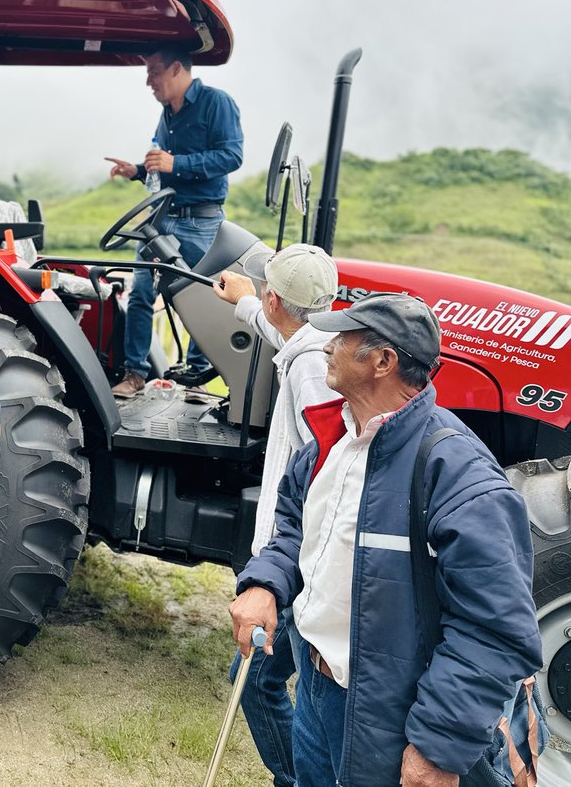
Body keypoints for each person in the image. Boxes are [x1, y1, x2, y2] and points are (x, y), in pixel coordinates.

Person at [228, 293, 542, 786]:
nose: (327, 344)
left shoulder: (458, 473)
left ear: (382, 360)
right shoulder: (332, 440)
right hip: (315, 687)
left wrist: (437, 747)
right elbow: (296, 527)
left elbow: (495, 629)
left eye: (343, 336)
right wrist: (265, 584)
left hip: (386, 716)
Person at [212, 243, 340, 787]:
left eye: (264, 292)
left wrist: (280, 564)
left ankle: (296, 779)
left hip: (300, 563)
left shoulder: (311, 371)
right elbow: (284, 334)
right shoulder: (316, 345)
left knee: (256, 675)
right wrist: (244, 303)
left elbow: (325, 468)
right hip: (301, 561)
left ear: (275, 297)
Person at [105, 44, 244, 398]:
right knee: (140, 294)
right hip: (161, 217)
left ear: (176, 69)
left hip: (200, 221)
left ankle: (197, 376)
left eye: (153, 71)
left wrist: (176, 164)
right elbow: (161, 168)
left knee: (202, 296)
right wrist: (137, 170)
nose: (148, 81)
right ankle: (134, 374)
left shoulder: (217, 103)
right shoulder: (167, 113)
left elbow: (232, 155)